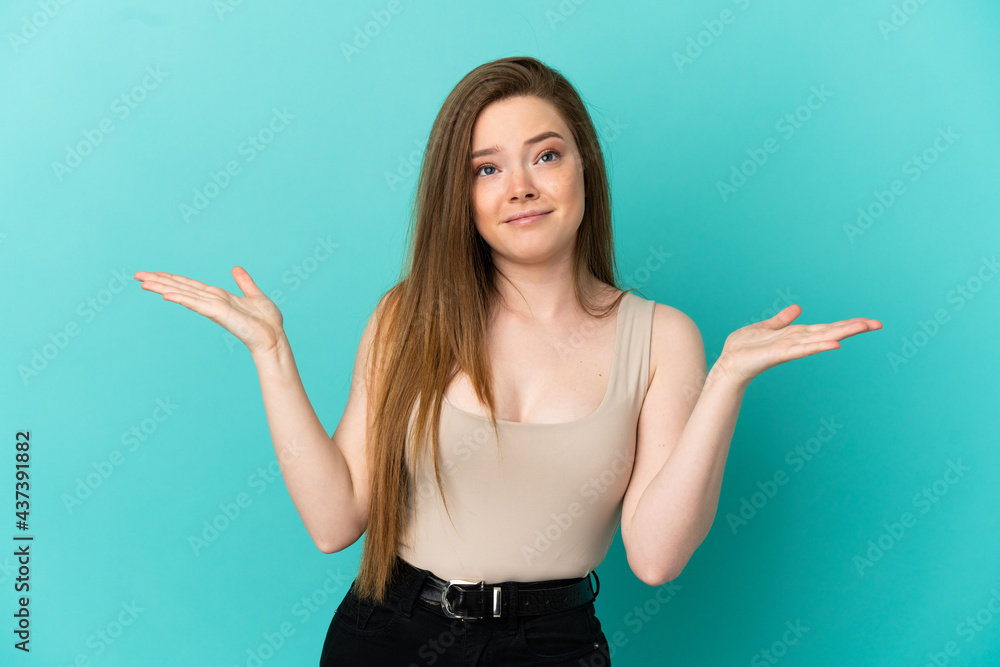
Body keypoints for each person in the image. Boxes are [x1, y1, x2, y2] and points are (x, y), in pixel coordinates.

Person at [134, 56, 881, 666]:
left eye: (545, 155)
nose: (520, 185)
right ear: (459, 196)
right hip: (389, 636)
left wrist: (724, 384)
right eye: (485, 169)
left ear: (584, 166)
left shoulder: (662, 337)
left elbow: (654, 557)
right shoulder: (409, 315)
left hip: (553, 645)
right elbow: (336, 521)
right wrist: (271, 353)